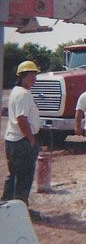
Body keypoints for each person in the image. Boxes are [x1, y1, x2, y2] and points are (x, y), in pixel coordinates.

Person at [1, 61, 41, 218]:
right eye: (30, 74)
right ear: (22, 76)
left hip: (12, 140)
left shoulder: (16, 91)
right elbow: (22, 119)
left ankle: (5, 206)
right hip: (22, 141)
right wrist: (31, 139)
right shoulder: (24, 94)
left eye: (35, 74)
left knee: (14, 175)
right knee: (24, 177)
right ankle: (22, 212)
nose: (34, 77)